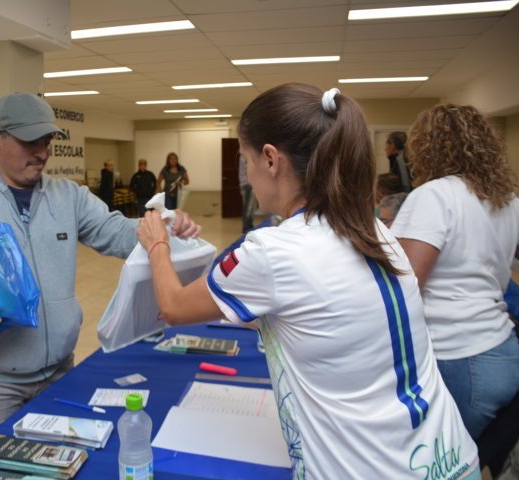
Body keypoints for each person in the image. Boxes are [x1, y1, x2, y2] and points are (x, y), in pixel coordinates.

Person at [137, 83, 478, 478]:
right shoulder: (372, 229)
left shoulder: (272, 250)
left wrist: (157, 242)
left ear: (270, 159)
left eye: (245, 160)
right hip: (447, 457)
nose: (247, 175)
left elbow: (173, 307)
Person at [0, 92, 201, 444]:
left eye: (46, 142)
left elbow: (118, 232)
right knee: (2, 465)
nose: (43, 152)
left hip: (60, 371)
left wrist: (163, 226)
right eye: (30, 142)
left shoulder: (68, 196)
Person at [390, 104, 519, 442]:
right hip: (501, 348)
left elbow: (404, 285)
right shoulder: (508, 200)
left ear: (427, 147)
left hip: (457, 356)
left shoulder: (433, 196)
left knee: (438, 458)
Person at [238, 152, 256, 233]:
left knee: (251, 207)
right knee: (248, 207)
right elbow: (250, 168)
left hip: (248, 184)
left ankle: (249, 225)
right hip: (247, 184)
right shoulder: (245, 155)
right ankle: (246, 228)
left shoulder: (246, 155)